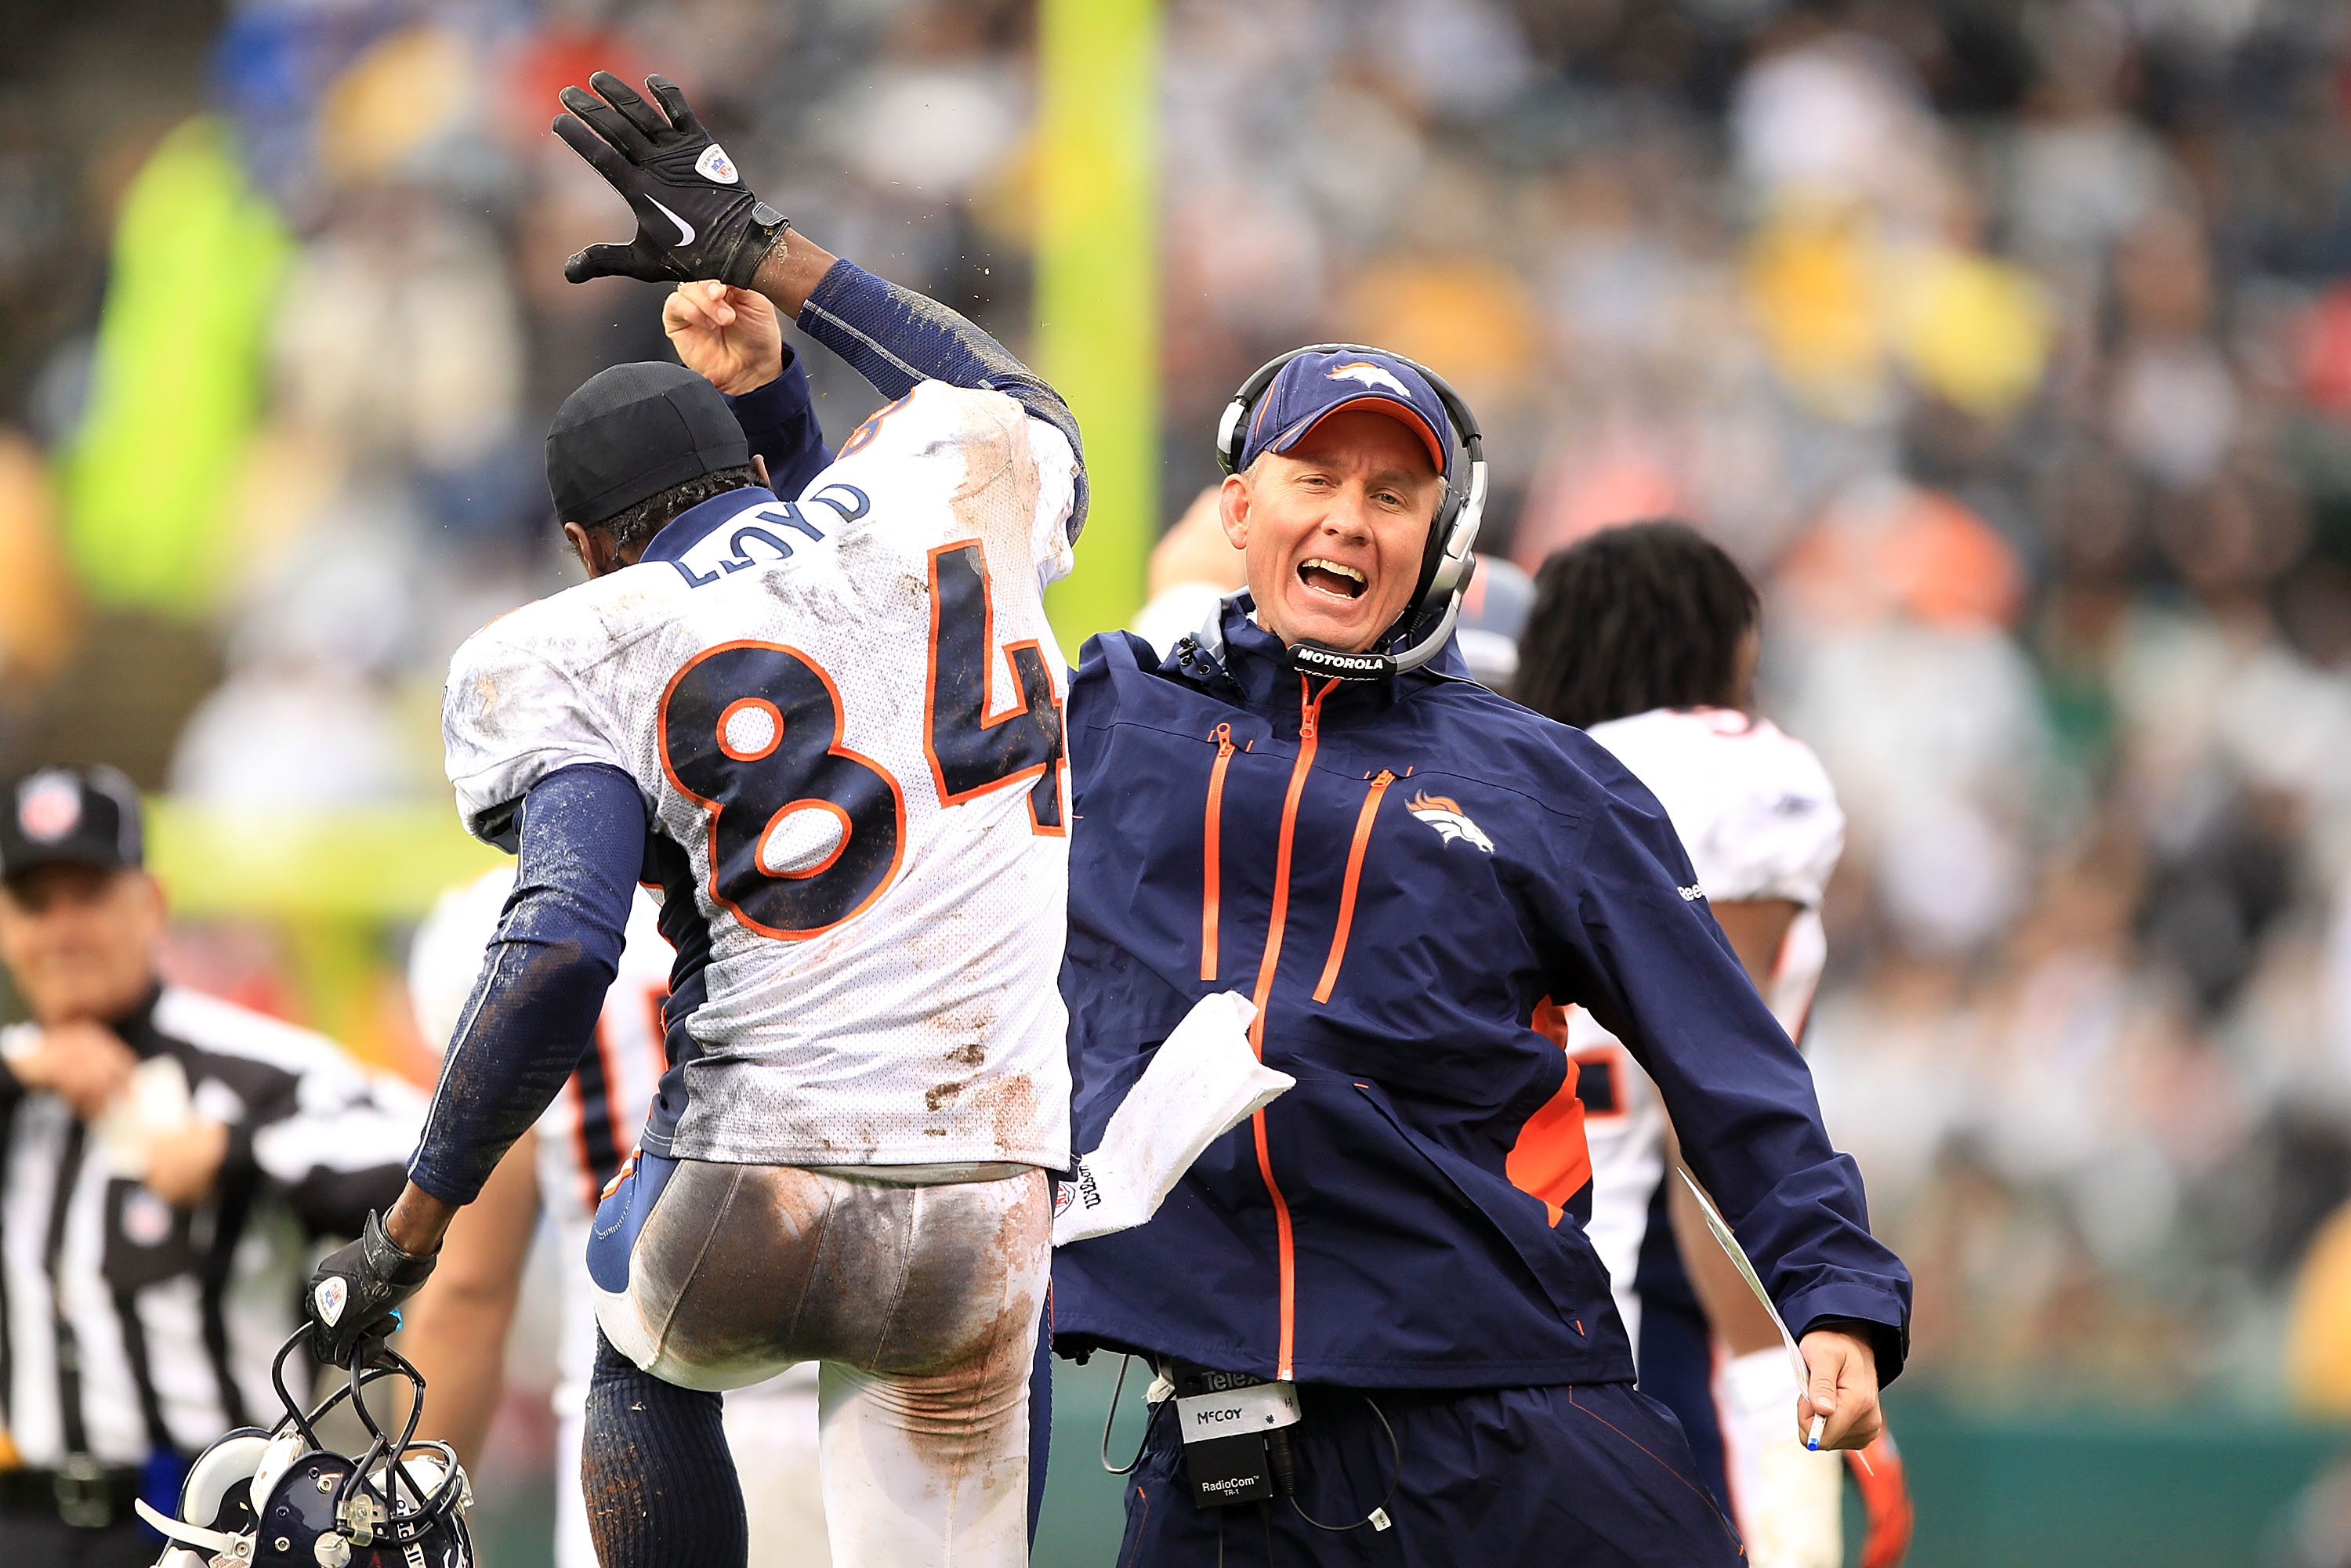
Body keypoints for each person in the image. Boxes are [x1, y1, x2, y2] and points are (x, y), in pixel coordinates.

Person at [302, 71, 1086, 1568]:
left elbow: (556, 952)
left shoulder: (575, 639)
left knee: (637, 1326)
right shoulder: (947, 480)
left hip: (752, 1183)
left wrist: (408, 1229)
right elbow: (1003, 410)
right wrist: (768, 252)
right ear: (744, 462)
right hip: (990, 1184)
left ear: (589, 547)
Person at [1046, 346, 1914, 1566]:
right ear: (1239, 505)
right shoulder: (1116, 722)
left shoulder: (1547, 782)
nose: (1351, 517)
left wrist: (1831, 1289)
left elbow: (1728, 1058)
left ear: (1441, 544)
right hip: (1227, 1440)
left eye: (1394, 495)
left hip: (1509, 1411)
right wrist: (777, 359)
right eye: (1315, 477)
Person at [1512, 520, 1914, 1568]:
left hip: (1503, 1286)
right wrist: (1780, 1371)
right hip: (1659, 1295)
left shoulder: (1516, 773)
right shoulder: (1729, 767)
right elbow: (1711, 1095)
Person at [0, 766, 418, 1565]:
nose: (61, 932)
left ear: (150, 905)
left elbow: (421, 1150)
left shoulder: (254, 1067)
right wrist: (27, 1073)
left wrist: (240, 1152)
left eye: (87, 896)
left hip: (216, 1522)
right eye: (33, 904)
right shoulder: (14, 1081)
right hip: (23, 1525)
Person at [397, 867, 828, 1568]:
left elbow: (470, 1287)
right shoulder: (820, 853)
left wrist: (412, 1513)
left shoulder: (508, 918)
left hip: (629, 1432)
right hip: (853, 1403)